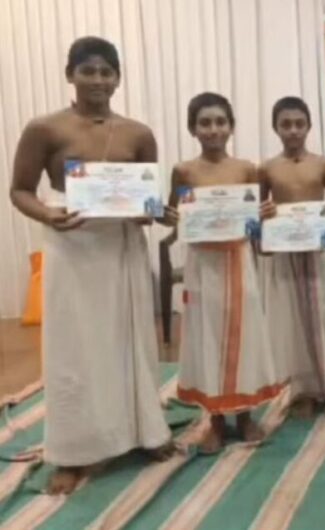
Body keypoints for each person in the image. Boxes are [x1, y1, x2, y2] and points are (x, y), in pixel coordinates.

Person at [8, 36, 173, 494]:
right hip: (72, 242)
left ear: (118, 78)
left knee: (130, 339)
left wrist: (152, 213)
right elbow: (20, 189)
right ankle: (73, 450)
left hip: (123, 246)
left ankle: (145, 431)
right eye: (88, 71)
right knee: (75, 347)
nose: (98, 80)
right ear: (70, 75)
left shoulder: (139, 133)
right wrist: (48, 215)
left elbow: (147, 199)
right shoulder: (45, 128)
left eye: (106, 72)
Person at [165, 93, 284, 453]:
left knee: (245, 336)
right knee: (208, 336)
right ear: (192, 128)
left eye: (220, 122)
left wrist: (265, 214)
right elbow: (172, 216)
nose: (213, 129)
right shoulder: (184, 171)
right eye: (205, 123)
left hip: (239, 258)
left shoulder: (247, 169)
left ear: (231, 127)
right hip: (203, 263)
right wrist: (166, 215)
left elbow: (255, 217)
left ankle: (245, 416)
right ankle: (215, 420)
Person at [259, 96, 325, 417]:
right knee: (292, 322)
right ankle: (303, 390)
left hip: (319, 251)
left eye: (299, 124)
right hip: (285, 254)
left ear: (309, 126)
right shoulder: (267, 168)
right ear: (276, 128)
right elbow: (259, 212)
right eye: (286, 124)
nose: (293, 130)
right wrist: (264, 214)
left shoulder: (323, 165)